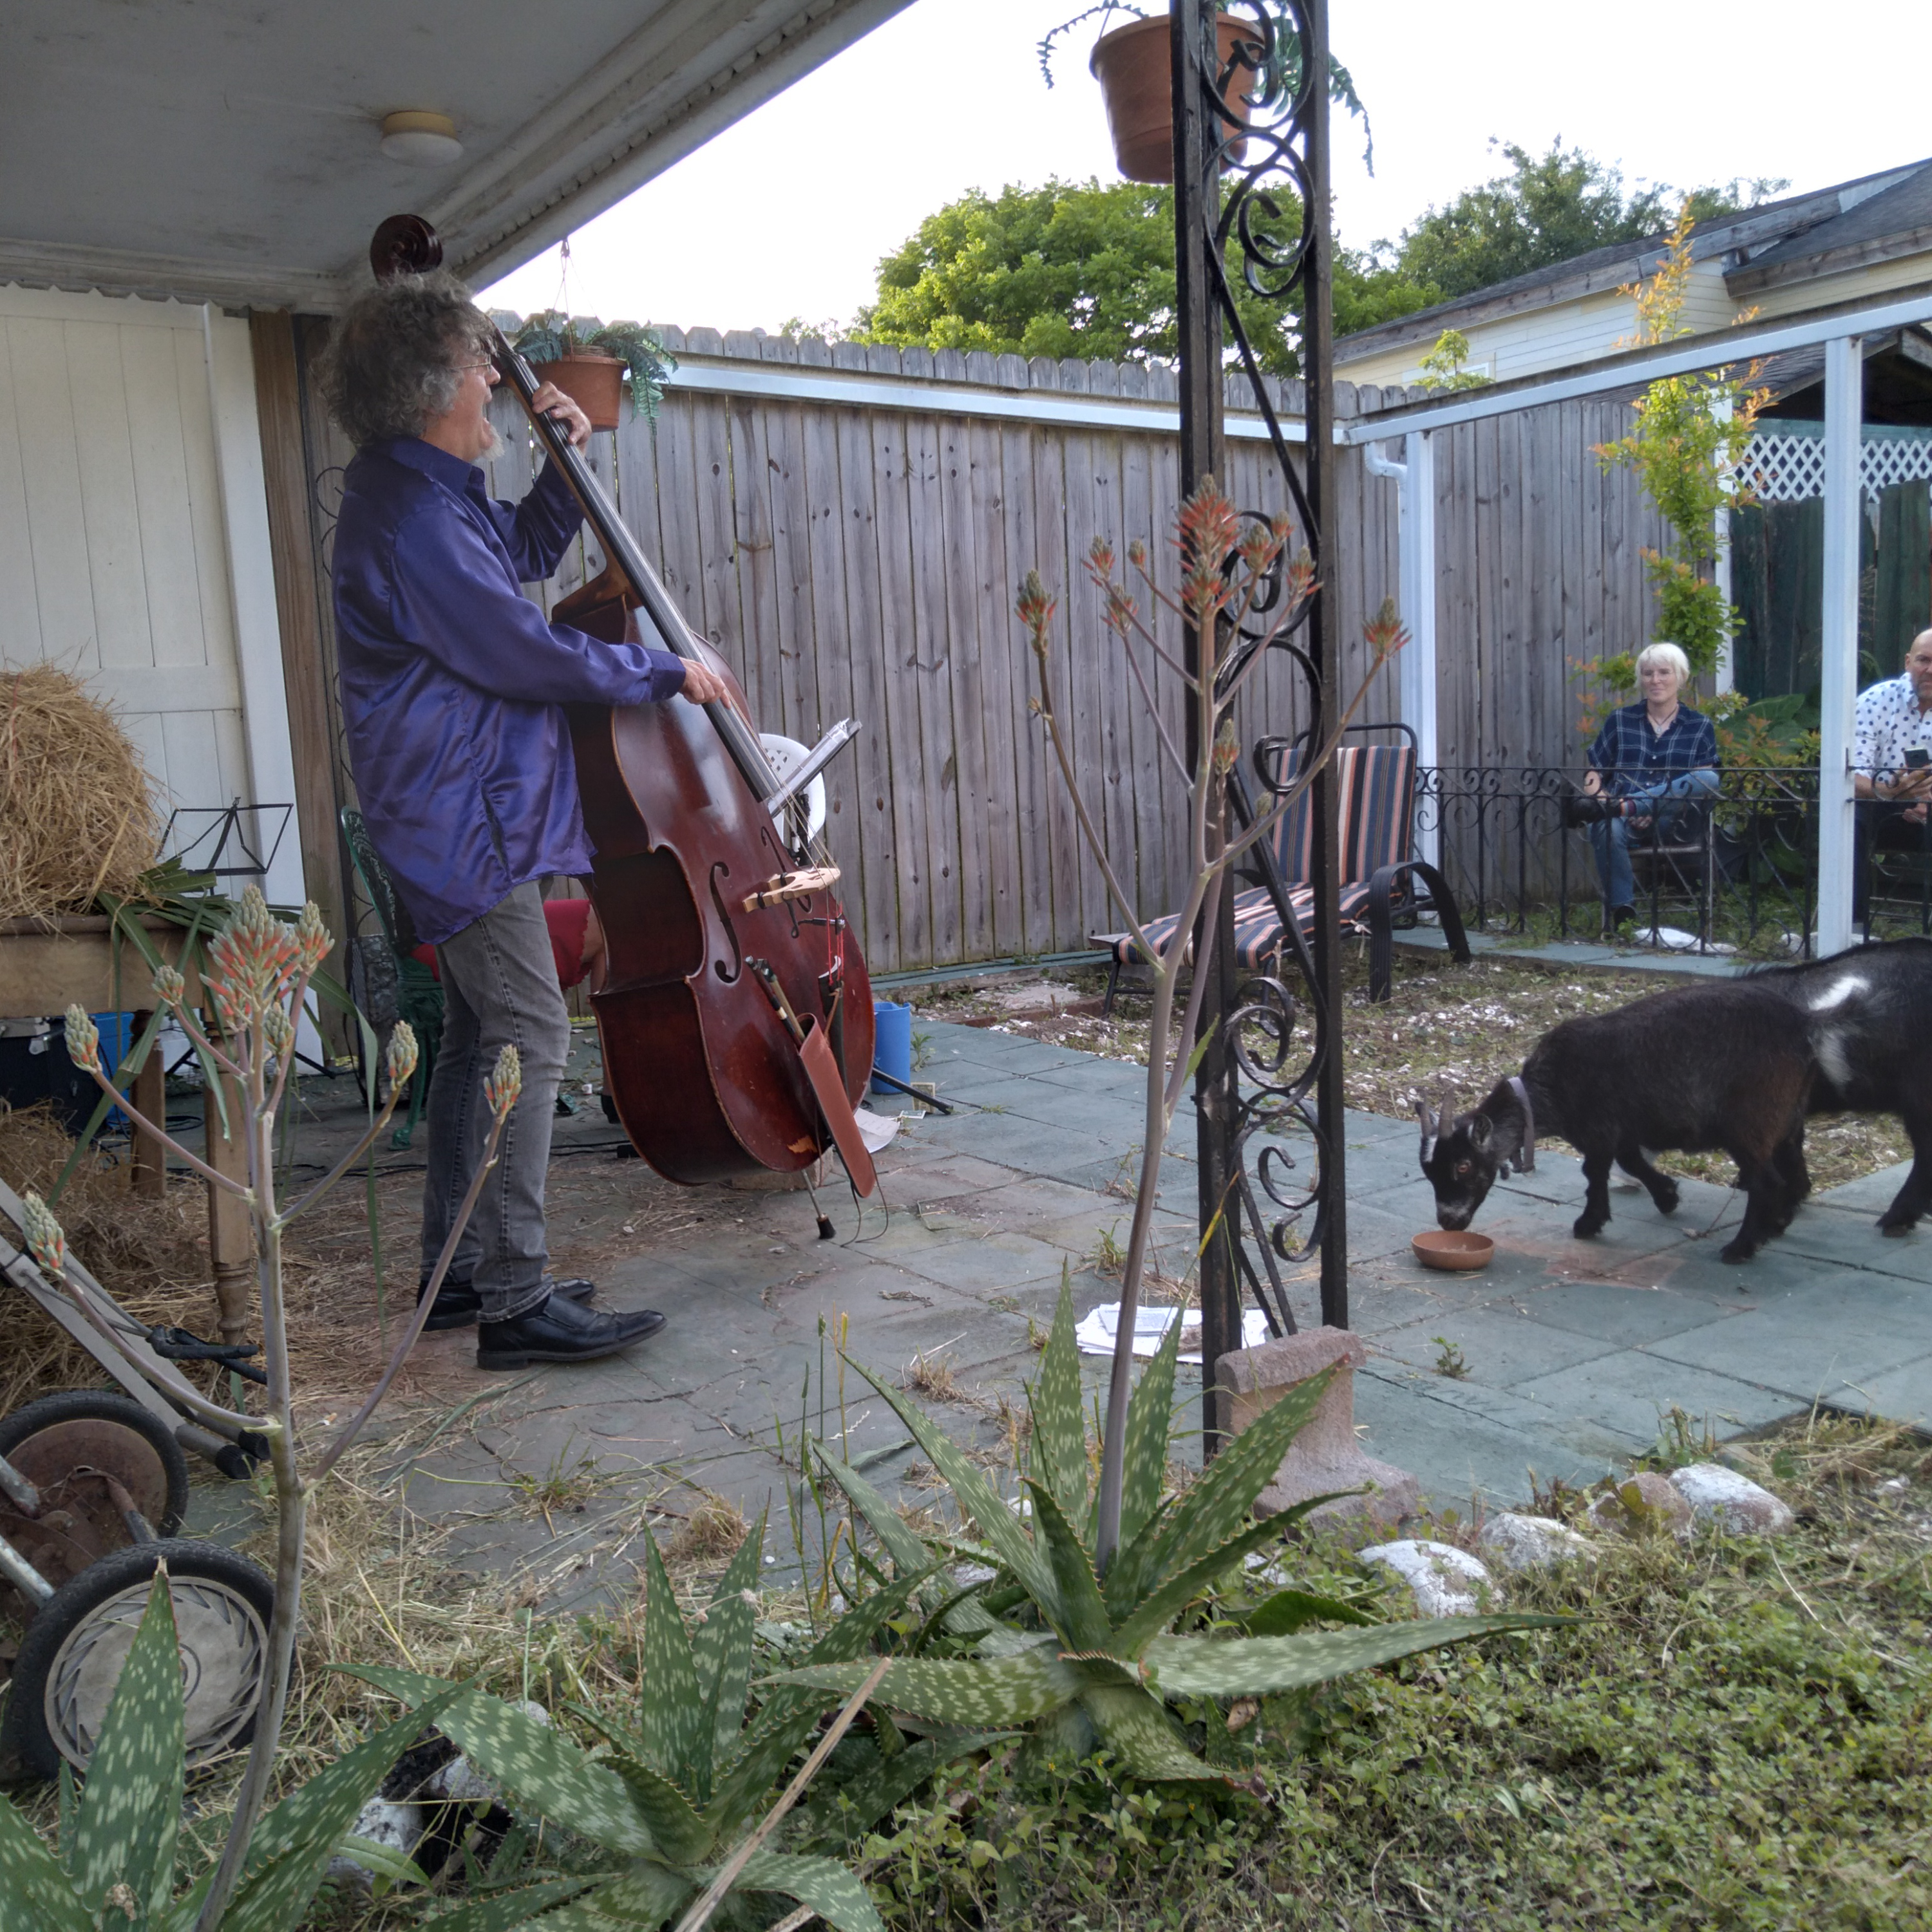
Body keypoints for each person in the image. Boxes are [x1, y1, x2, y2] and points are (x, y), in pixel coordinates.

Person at [320, 270, 733, 1370]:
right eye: (478, 369)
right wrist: (663, 672)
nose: (493, 384)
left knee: (473, 1042)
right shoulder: (409, 516)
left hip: (466, 808)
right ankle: (516, 1297)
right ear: (430, 388)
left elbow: (520, 568)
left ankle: (457, 1274)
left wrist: (566, 463)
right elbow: (520, 649)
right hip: (463, 818)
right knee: (531, 1034)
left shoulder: (426, 496)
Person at [1564, 641, 1721, 933]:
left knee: (1710, 779)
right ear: (1641, 679)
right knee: (1606, 825)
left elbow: (1703, 783)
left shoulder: (1700, 726)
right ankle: (1624, 915)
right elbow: (1594, 773)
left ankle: (1624, 805)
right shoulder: (1620, 721)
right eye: (1648, 674)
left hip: (1673, 818)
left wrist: (1635, 804)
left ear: (1680, 677)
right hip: (1619, 816)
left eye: (1664, 672)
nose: (1656, 680)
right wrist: (1601, 799)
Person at [1852, 629, 1932, 927]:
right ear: (1908, 661)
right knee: (1848, 817)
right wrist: (1894, 791)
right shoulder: (1875, 702)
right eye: (1924, 660)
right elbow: (1851, 779)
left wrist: (1925, 799)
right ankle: (1852, 926)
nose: (1930, 670)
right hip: (1881, 806)